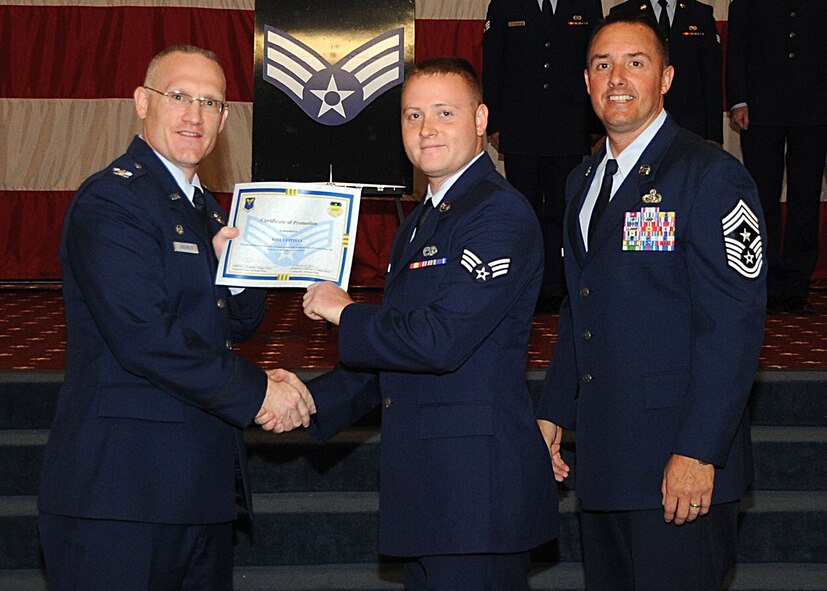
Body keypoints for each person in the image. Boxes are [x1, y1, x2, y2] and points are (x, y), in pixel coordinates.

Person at [38, 44, 314, 590]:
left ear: (224, 118)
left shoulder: (204, 207)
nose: (194, 114)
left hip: (195, 493)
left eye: (210, 102)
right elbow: (146, 338)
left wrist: (236, 270)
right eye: (179, 96)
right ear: (142, 102)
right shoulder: (113, 201)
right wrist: (261, 391)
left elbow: (232, 326)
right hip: (122, 497)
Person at [300, 57, 557, 590]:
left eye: (444, 112)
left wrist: (345, 311)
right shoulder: (420, 221)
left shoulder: (498, 214)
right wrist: (305, 404)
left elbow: (439, 341)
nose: (427, 129)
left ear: (481, 119)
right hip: (427, 494)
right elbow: (395, 352)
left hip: (475, 499)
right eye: (413, 116)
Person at [536, 13, 766, 590]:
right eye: (601, 65)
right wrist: (553, 411)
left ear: (665, 78)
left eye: (634, 63)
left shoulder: (711, 175)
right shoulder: (582, 181)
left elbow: (732, 328)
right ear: (586, 81)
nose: (617, 78)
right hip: (606, 463)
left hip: (679, 469)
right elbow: (578, 307)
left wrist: (698, 451)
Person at [483, 0, 603, 312]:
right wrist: (495, 123)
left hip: (569, 126)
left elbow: (595, 63)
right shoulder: (504, 5)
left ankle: (558, 286)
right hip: (520, 127)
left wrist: (594, 123)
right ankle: (525, 285)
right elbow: (493, 64)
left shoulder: (585, 5)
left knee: (563, 211)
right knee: (523, 211)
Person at [726, 0, 827, 314]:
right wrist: (738, 100)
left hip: (815, 107)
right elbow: (737, 47)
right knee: (760, 199)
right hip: (760, 109)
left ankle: (796, 286)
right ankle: (763, 282)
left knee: (805, 199)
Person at [609, 0, 723, 144]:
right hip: (638, 123)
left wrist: (714, 134)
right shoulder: (623, 13)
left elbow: (712, 77)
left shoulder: (700, 14)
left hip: (690, 124)